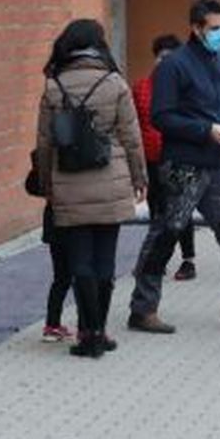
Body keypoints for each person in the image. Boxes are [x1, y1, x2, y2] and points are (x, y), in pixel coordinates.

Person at [127, 0, 220, 334]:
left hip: (216, 165)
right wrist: (205, 131)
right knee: (165, 234)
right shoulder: (175, 66)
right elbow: (161, 116)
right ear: (196, 28)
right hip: (183, 166)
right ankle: (143, 308)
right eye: (214, 28)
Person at [34, 19, 147, 359]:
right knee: (105, 262)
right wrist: (140, 177)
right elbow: (131, 136)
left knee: (80, 261)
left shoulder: (54, 86)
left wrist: (46, 185)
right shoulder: (114, 83)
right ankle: (99, 330)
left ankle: (87, 335)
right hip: (110, 181)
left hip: (69, 182)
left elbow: (44, 144)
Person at [133, 34, 196, 281]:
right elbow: (134, 123)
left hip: (179, 157)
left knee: (182, 208)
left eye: (170, 58)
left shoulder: (185, 90)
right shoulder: (141, 87)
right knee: (157, 208)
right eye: (161, 57)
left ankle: (188, 259)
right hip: (151, 157)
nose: (164, 62)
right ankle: (156, 257)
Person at [25, 152, 73, 342]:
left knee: (61, 278)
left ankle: (52, 325)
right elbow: (32, 185)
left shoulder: (46, 155)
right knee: (75, 276)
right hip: (71, 221)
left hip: (55, 221)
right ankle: (87, 327)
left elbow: (31, 186)